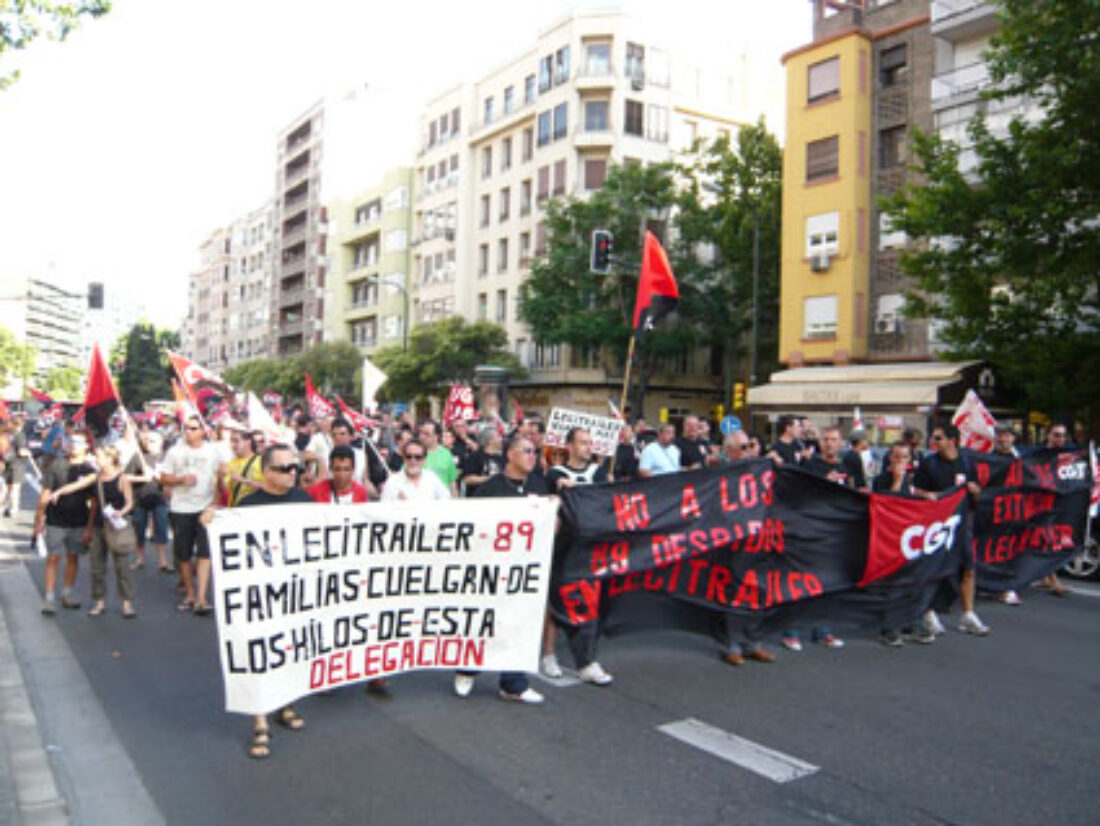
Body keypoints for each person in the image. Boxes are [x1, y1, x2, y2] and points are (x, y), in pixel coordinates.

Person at [454, 433, 545, 704]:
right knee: (485, 622)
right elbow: (474, 529)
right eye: (527, 450)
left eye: (534, 452)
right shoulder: (489, 490)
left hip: (524, 568)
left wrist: (550, 508)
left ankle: (513, 684)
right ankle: (467, 668)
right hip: (492, 568)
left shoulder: (539, 484)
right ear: (510, 455)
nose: (533, 456)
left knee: (519, 624)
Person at [234, 444, 312, 758]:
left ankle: (286, 705)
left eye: (296, 468)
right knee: (259, 655)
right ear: (266, 472)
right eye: (285, 468)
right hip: (261, 595)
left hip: (295, 592)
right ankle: (260, 723)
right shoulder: (248, 506)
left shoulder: (304, 501)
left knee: (290, 650)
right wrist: (212, 518)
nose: (293, 473)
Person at [543, 427, 613, 684]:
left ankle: (588, 659)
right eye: (582, 443)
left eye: (589, 443)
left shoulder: (598, 473)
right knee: (557, 599)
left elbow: (604, 501)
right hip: (564, 546)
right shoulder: (555, 474)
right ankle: (549, 654)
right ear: (569, 446)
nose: (587, 447)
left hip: (592, 547)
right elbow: (551, 500)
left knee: (590, 599)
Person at [913, 423, 990, 636]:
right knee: (935, 568)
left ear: (952, 441)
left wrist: (975, 491)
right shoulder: (929, 464)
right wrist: (926, 495)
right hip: (936, 525)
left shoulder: (966, 462)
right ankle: (928, 613)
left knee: (968, 567)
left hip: (962, 522)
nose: (934, 442)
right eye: (933, 438)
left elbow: (977, 492)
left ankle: (968, 615)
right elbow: (915, 490)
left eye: (938, 438)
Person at [49, 444, 138, 618]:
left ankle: (127, 603)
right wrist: (59, 491)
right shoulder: (96, 477)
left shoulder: (121, 478)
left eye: (99, 456)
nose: (96, 459)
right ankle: (99, 602)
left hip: (116, 526)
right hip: (99, 526)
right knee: (97, 566)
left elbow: (129, 501)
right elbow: (76, 485)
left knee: (122, 566)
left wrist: (122, 512)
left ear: (110, 458)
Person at [714, 429, 776, 666]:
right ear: (730, 451)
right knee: (735, 593)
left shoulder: (760, 471)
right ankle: (732, 644)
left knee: (760, 590)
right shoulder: (720, 474)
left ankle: (753, 642)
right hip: (734, 541)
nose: (750, 451)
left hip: (761, 539)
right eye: (744, 447)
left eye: (751, 445)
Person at [783, 426, 846, 651]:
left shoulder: (848, 465)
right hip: (810, 530)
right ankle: (791, 631)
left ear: (841, 443)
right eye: (825, 439)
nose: (829, 443)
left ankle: (823, 631)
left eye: (833, 440)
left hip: (837, 532)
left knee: (829, 584)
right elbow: (798, 497)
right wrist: (823, 483)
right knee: (801, 582)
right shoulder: (810, 466)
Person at [872, 442, 935, 647]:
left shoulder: (910, 481)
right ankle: (888, 627)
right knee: (892, 583)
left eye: (904, 457)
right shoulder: (882, 479)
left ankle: (910, 622)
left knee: (912, 581)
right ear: (889, 458)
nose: (900, 461)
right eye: (896, 457)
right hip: (888, 539)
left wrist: (925, 495)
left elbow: (912, 495)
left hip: (908, 539)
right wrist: (897, 480)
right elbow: (890, 502)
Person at [159, 415, 221, 615]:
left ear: (203, 431)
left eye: (193, 428)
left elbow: (220, 478)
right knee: (183, 554)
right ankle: (190, 593)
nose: (188, 432)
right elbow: (164, 478)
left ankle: (201, 597)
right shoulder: (175, 452)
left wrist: (214, 503)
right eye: (186, 428)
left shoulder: (213, 451)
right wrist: (180, 479)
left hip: (204, 507)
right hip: (181, 508)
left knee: (204, 553)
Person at [34, 430, 95, 614]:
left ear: (86, 446)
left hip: (79, 521)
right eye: (71, 440)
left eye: (79, 441)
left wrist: (89, 528)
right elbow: (45, 494)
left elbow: (94, 503)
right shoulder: (56, 465)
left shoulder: (90, 470)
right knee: (53, 557)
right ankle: (50, 598)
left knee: (73, 557)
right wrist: (39, 520)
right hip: (55, 520)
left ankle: (67, 593)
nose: (74, 444)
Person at [128, 430, 171, 572]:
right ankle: (140, 558)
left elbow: (172, 477)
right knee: (139, 529)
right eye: (146, 440)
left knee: (162, 529)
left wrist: (161, 477)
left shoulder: (166, 458)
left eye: (152, 440)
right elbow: (125, 477)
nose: (148, 443)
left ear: (161, 442)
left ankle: (163, 560)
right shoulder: (138, 457)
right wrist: (142, 478)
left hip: (160, 499)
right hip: (140, 498)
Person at [1038, 424, 1071, 597]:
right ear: (1048, 435)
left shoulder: (1066, 457)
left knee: (1050, 540)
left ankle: (1046, 576)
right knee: (1048, 539)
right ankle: (1052, 579)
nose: (1060, 439)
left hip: (1058, 503)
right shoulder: (1039, 456)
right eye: (1056, 435)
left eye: (1063, 436)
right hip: (1040, 503)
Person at [381, 439, 452, 501]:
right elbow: (384, 510)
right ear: (404, 458)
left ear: (424, 459)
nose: (413, 460)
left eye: (418, 457)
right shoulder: (393, 482)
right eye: (409, 456)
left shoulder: (431, 478)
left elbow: (446, 501)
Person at [221, 426, 264, 508]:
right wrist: (220, 477)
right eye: (231, 441)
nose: (232, 445)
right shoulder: (229, 464)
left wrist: (244, 481)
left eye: (236, 441)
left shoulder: (261, 461)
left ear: (248, 442)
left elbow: (269, 488)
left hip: (256, 511)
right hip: (236, 512)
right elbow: (223, 490)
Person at [460, 429, 506, 497]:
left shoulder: (503, 458)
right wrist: (491, 479)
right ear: (490, 440)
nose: (501, 439)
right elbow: (467, 479)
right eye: (498, 436)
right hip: (480, 498)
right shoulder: (475, 457)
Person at [418, 420, 458, 495]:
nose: (422, 436)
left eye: (427, 434)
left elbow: (452, 482)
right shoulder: (413, 454)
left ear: (436, 437)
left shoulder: (446, 454)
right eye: (421, 433)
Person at [3, 415, 30, 517]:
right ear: (21, 425)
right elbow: (21, 451)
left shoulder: (8, 434)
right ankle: (13, 509)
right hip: (17, 464)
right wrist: (28, 453)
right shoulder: (20, 435)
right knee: (15, 488)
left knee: (7, 487)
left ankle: (3, 506)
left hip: (7, 462)